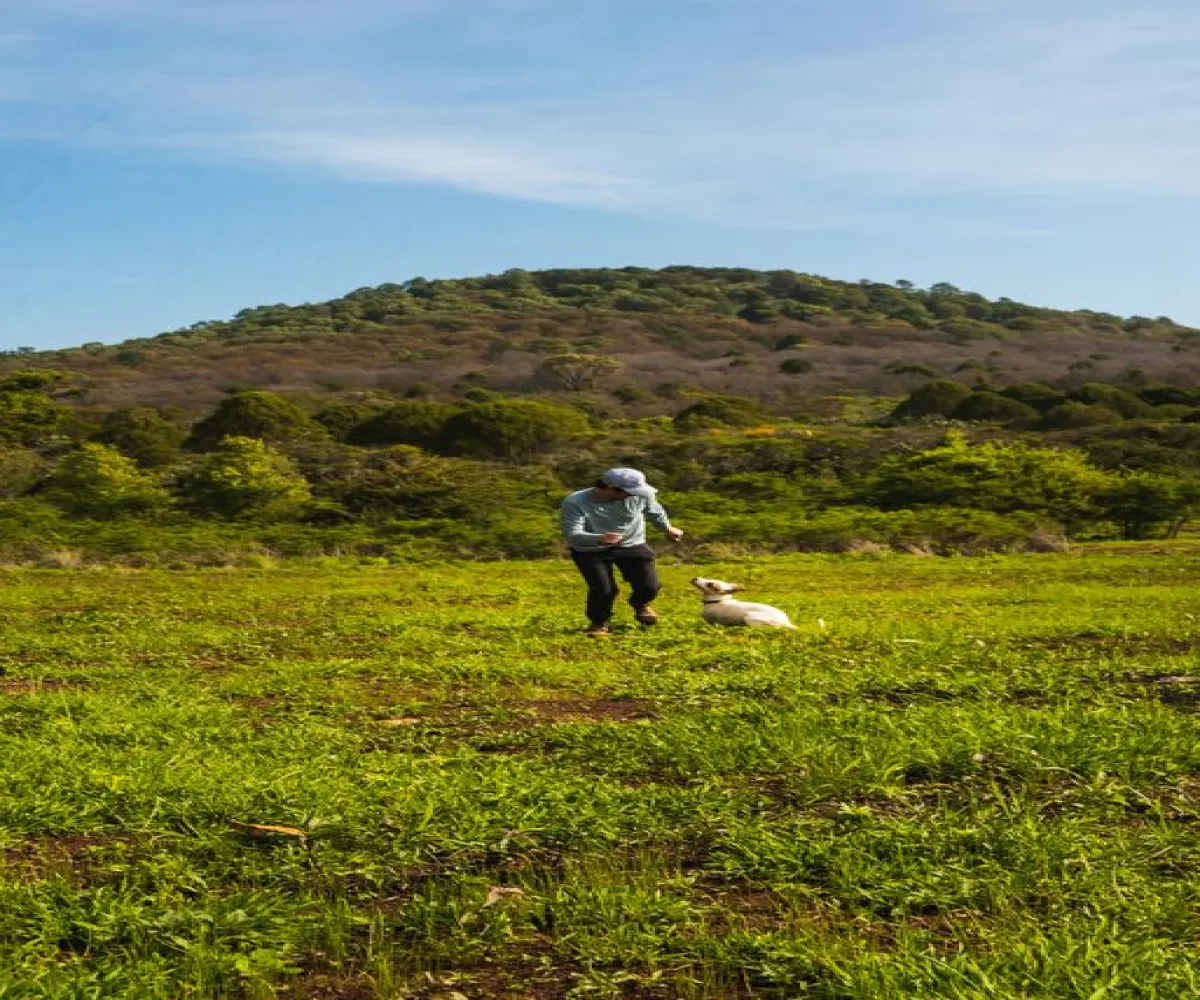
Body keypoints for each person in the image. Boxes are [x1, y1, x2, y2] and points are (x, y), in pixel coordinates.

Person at [559, 467, 684, 636]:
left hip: (632, 543)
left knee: (649, 585)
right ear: (610, 489)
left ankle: (640, 604)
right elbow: (572, 534)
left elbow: (654, 510)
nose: (635, 495)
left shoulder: (642, 494)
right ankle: (599, 623)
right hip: (590, 549)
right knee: (603, 589)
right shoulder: (575, 502)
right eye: (629, 492)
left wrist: (667, 528)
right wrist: (600, 538)